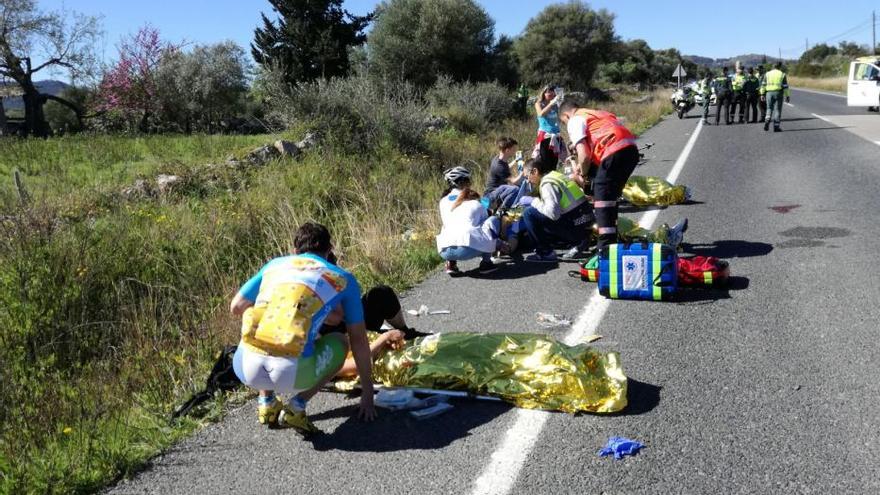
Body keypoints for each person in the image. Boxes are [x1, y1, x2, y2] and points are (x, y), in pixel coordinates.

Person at [229, 222, 376, 436]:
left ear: (294, 251)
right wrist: (368, 393)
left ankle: (266, 402)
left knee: (264, 323)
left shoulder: (275, 265)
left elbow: (236, 307)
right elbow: (359, 340)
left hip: (245, 369)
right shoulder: (343, 280)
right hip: (293, 375)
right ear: (329, 249)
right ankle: (297, 407)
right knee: (342, 342)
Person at [558, 101, 639, 254]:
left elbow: (584, 156)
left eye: (564, 122)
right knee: (610, 198)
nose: (566, 124)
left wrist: (581, 173)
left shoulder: (575, 120)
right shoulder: (595, 113)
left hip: (613, 149)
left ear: (566, 115)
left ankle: (605, 249)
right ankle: (612, 240)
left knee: (601, 199)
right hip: (630, 149)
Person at [518, 158, 593, 262]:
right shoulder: (555, 176)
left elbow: (553, 214)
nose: (528, 181)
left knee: (529, 213)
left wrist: (533, 202)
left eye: (527, 177)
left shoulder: (547, 184)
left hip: (576, 227)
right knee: (538, 214)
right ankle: (578, 240)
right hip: (585, 222)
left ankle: (545, 252)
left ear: (535, 171)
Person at [437, 166, 502, 275]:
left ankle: (451, 263)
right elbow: (486, 225)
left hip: (444, 250)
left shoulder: (442, 201)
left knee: (448, 226)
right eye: (468, 180)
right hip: (467, 250)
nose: (470, 183)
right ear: (463, 182)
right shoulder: (474, 203)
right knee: (493, 220)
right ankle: (486, 263)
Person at [484, 137, 524, 212]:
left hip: (495, 192)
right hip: (491, 196)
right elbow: (514, 181)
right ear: (507, 150)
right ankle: (503, 211)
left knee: (513, 188)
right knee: (516, 189)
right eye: (514, 150)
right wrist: (524, 171)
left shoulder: (499, 158)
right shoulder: (499, 166)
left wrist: (516, 161)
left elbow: (506, 167)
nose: (515, 152)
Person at [761, 62, 791, 132]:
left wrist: (762, 94)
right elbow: (785, 86)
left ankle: (767, 120)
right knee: (777, 110)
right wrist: (787, 96)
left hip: (769, 93)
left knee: (769, 108)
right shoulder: (782, 74)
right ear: (779, 67)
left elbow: (763, 84)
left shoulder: (767, 74)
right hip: (778, 93)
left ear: (772, 67)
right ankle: (776, 127)